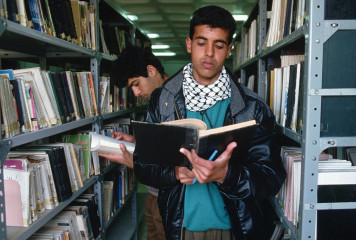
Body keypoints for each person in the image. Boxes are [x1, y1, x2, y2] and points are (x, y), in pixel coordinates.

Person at [133, 5, 286, 240]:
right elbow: (143, 166)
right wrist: (174, 173)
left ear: (229, 50)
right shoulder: (162, 100)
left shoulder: (252, 107)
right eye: (201, 42)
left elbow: (270, 177)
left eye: (219, 45)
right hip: (181, 226)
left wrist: (227, 175)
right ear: (189, 44)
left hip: (233, 229)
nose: (209, 53)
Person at [99, 45, 169, 240]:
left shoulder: (176, 102)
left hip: (170, 199)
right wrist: (136, 141)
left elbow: (177, 158)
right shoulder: (155, 101)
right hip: (153, 195)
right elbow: (161, 145)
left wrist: (135, 163)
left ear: (151, 70)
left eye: (136, 84)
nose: (136, 93)